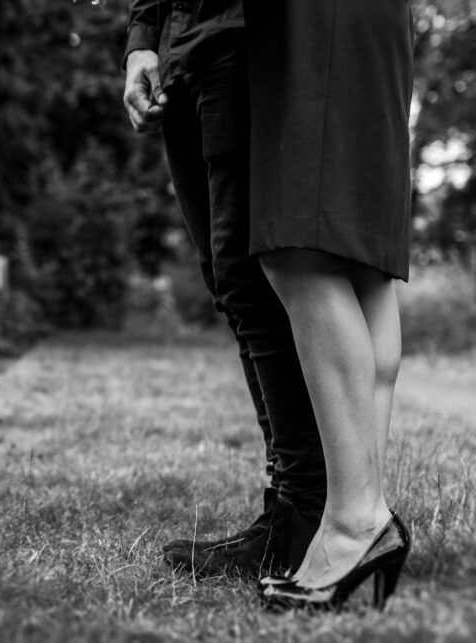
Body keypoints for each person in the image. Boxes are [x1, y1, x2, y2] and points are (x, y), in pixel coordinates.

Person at [121, 0, 326, 577]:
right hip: (182, 52)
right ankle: (292, 506)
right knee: (231, 284)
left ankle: (306, 513)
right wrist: (143, 38)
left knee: (256, 280)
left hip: (244, 38)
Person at [246, 0, 414, 610]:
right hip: (360, 22)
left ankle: (355, 522)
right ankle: (361, 515)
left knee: (297, 240)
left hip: (317, 21)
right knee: (358, 251)